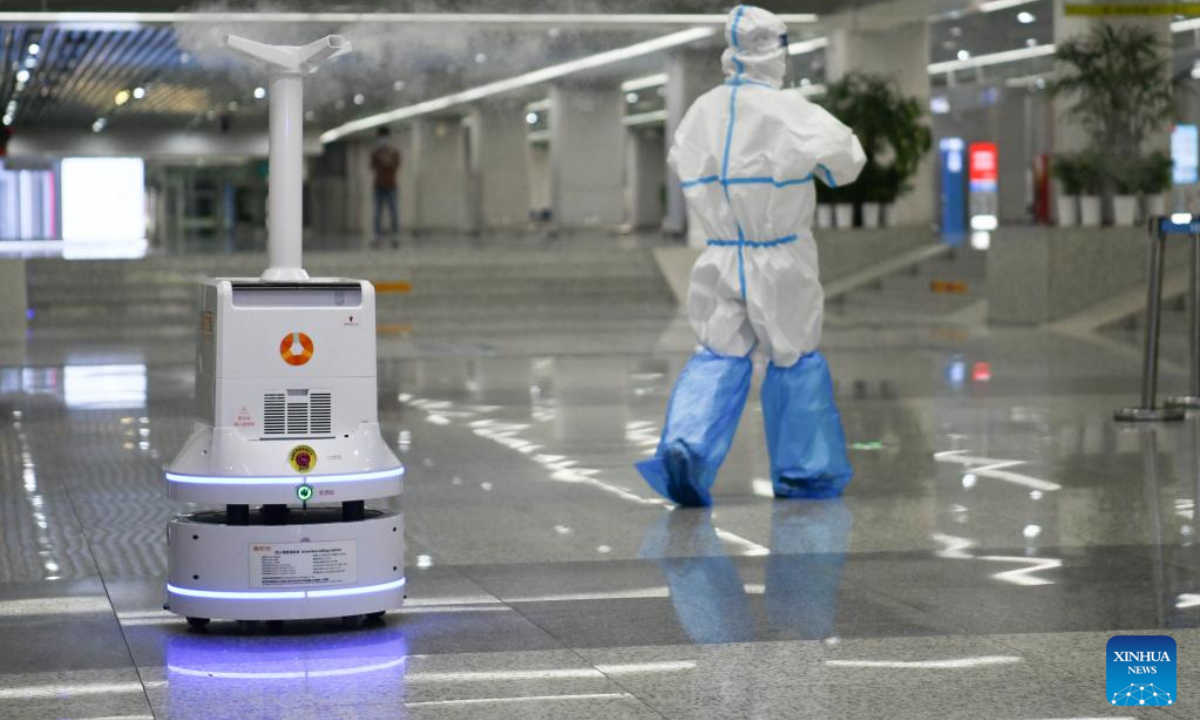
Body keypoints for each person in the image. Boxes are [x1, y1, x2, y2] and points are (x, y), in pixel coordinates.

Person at [635, 4, 865, 507]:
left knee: (718, 352)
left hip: (720, 254)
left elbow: (681, 162)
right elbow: (847, 160)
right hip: (781, 255)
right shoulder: (792, 110)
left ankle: (687, 447)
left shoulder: (702, 111)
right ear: (774, 53)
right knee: (794, 356)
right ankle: (805, 471)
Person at [371, 126, 401, 238]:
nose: (383, 139)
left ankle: (395, 233)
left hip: (391, 185)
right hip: (378, 185)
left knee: (394, 210)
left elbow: (395, 166)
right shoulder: (375, 152)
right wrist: (384, 162)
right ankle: (377, 233)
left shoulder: (394, 152)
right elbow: (373, 166)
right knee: (377, 211)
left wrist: (386, 161)